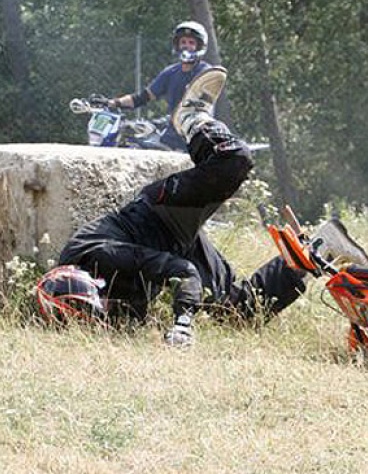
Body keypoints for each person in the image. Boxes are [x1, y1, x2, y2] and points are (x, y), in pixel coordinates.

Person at [37, 67, 306, 346]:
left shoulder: (100, 257)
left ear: (94, 285)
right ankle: (305, 256)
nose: (105, 312)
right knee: (236, 312)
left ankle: (193, 118)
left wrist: (182, 324)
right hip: (172, 245)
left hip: (163, 215)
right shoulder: (81, 297)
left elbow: (183, 270)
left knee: (234, 159)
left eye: (99, 308)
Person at [108, 20, 212, 152]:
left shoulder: (206, 72)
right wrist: (113, 103)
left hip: (196, 136)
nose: (186, 46)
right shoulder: (171, 72)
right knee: (132, 144)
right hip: (170, 137)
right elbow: (142, 97)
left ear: (199, 46)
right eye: (183, 42)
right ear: (177, 45)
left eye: (191, 43)